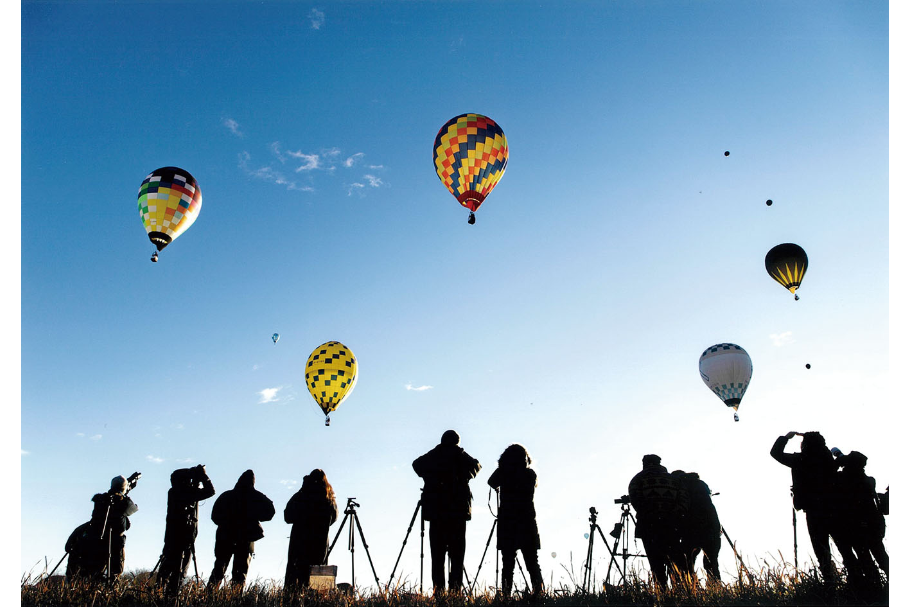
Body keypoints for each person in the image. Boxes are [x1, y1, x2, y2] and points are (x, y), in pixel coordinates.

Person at [770, 431, 854, 586]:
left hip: (814, 511)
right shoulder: (828, 459)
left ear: (805, 445)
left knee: (821, 550)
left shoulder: (800, 459)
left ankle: (830, 582)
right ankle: (857, 579)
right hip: (835, 508)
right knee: (844, 546)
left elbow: (775, 453)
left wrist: (786, 438)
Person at [413, 430, 481, 595]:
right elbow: (476, 466)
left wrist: (431, 478)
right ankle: (455, 593)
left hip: (437, 514)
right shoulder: (460, 455)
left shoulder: (435, 454)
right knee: (457, 557)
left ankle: (439, 594)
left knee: (437, 557)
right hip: (457, 514)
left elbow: (417, 464)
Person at [487, 444, 544, 600]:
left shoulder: (504, 474)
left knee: (508, 564)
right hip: (526, 521)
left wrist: (503, 467)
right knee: (532, 562)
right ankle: (539, 594)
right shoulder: (530, 474)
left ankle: (506, 595)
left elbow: (491, 482)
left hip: (508, 521)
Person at [207, 469, 275, 589]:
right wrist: (254, 516)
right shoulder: (256, 496)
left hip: (225, 537)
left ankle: (209, 595)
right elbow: (270, 512)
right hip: (246, 538)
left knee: (219, 568)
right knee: (240, 574)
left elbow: (215, 516)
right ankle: (235, 598)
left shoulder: (226, 495)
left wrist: (226, 524)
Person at [156, 464, 215, 594]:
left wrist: (194, 478)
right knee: (179, 571)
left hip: (172, 537)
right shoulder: (185, 492)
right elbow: (211, 491)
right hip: (184, 538)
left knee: (166, 568)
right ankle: (172, 596)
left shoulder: (174, 492)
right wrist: (204, 476)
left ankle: (157, 593)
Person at [628, 455, 684, 589]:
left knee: (656, 563)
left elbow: (636, 502)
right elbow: (683, 501)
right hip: (672, 526)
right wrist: (673, 517)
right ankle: (680, 593)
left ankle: (661, 593)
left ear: (644, 464)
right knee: (674, 562)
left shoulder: (637, 480)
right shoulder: (673, 480)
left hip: (649, 526)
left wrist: (650, 515)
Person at [832, 451, 888, 587]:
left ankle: (874, 586)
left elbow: (831, 471)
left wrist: (840, 459)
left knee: (865, 558)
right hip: (873, 525)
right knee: (881, 556)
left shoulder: (841, 480)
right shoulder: (870, 480)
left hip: (857, 527)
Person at [283, 469, 338, 592]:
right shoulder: (329, 500)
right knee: (317, 585)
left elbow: (288, 516)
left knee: (294, 583)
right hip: (319, 545)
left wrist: (302, 490)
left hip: (299, 545)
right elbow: (334, 518)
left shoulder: (302, 496)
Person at [670, 471, 721, 586]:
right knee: (712, 562)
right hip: (712, 526)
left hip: (692, 528)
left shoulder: (682, 488)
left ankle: (692, 588)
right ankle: (715, 588)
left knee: (687, 562)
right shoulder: (701, 484)